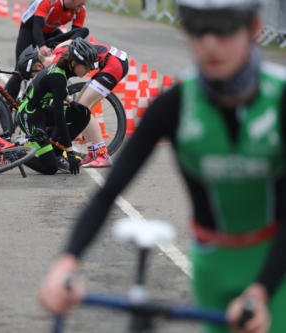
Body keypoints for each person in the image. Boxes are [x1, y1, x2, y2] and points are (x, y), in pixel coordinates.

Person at [39, 1, 286, 332]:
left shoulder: (279, 97)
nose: (210, 42)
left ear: (254, 27)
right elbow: (108, 193)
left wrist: (262, 289)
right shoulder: (176, 102)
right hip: (211, 264)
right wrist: (65, 262)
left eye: (225, 27)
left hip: (275, 265)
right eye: (196, 27)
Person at [19, 38, 129, 168]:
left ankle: (102, 155)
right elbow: (76, 37)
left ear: (39, 66)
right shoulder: (59, 50)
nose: (35, 78)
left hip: (114, 65)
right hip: (113, 58)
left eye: (33, 76)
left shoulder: (56, 65)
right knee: (78, 105)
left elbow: (58, 98)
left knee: (83, 107)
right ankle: (93, 152)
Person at [16, 38, 98, 175]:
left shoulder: (63, 69)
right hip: (29, 116)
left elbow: (53, 89)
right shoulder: (58, 77)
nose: (88, 71)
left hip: (41, 110)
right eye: (86, 67)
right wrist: (70, 151)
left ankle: (56, 151)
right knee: (50, 168)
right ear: (73, 63)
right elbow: (59, 119)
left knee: (83, 114)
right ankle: (16, 152)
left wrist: (70, 101)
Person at [5, 0, 87, 100]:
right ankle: (5, 107)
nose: (84, 4)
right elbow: (37, 26)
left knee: (83, 32)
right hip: (30, 27)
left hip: (50, 31)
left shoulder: (80, 9)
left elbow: (75, 34)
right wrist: (42, 46)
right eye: (83, 1)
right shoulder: (49, 2)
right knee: (20, 70)